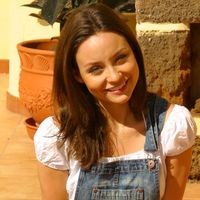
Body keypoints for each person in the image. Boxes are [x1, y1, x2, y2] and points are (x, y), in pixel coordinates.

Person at [34, 3, 196, 200]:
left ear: (134, 52)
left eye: (120, 58)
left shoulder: (171, 126)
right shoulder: (57, 136)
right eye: (96, 69)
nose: (114, 77)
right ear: (77, 75)